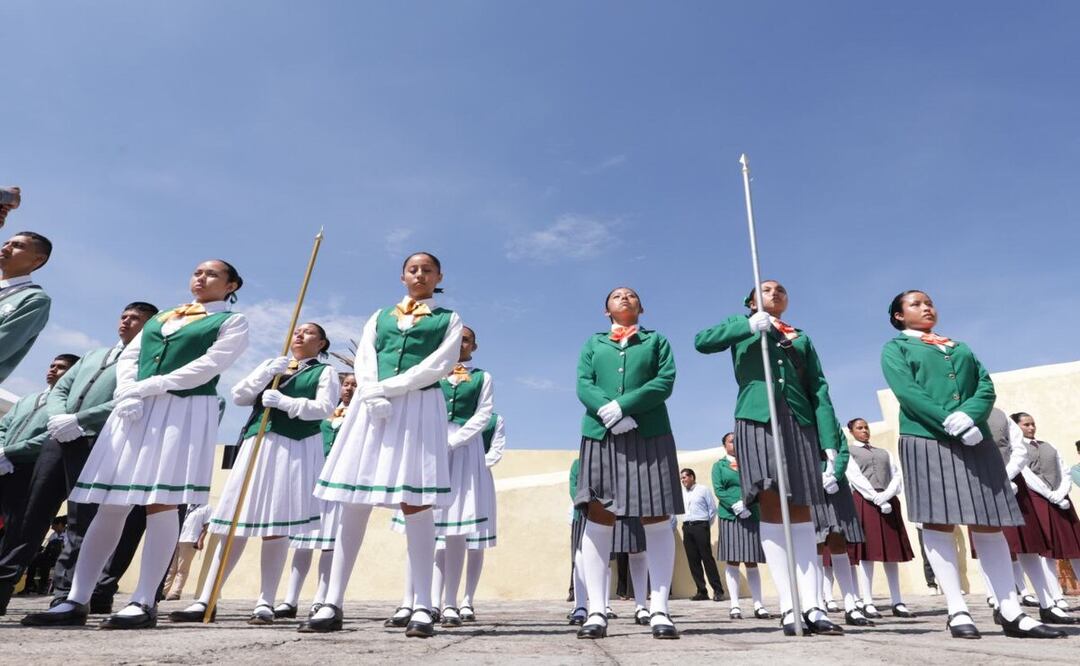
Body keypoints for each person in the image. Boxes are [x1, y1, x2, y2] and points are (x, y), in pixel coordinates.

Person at [22, 259, 249, 629]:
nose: (200, 278)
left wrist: (154, 385)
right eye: (196, 272)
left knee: (162, 502)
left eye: (211, 274)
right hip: (135, 409)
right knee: (112, 502)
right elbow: (130, 356)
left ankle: (143, 601)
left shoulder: (231, 321)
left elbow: (211, 364)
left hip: (183, 409)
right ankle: (75, 599)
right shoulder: (164, 317)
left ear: (231, 286)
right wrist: (128, 390)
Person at [880, 289, 1060, 639]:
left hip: (975, 440)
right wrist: (949, 421)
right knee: (938, 521)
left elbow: (985, 386)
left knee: (988, 521)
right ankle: (956, 609)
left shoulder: (959, 347)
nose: (926, 307)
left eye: (929, 301)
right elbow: (908, 392)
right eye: (915, 304)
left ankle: (1009, 608)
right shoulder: (896, 348)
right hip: (927, 438)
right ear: (899, 316)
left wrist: (969, 417)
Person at [302, 252, 463, 636]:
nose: (420, 274)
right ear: (403, 275)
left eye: (427, 269)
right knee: (355, 498)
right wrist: (371, 392)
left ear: (439, 275)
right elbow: (366, 357)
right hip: (370, 408)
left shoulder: (448, 319)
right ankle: (331, 602)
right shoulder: (380, 315)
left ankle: (423, 604)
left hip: (419, 406)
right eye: (413, 269)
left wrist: (388, 388)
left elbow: (440, 364)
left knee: (416, 501)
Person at [695, 280, 844, 636]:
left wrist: (829, 442)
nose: (775, 293)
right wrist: (748, 324)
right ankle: (790, 605)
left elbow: (819, 387)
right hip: (757, 417)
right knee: (773, 503)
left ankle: (814, 605)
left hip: (799, 421)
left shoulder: (800, 337)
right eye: (765, 289)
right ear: (750, 301)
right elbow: (702, 342)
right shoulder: (742, 325)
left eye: (781, 290)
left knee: (803, 509)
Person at [171, 322, 338, 625]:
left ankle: (265, 602)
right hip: (257, 443)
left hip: (294, 446)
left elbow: (324, 408)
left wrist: (286, 402)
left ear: (322, 344)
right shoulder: (271, 364)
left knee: (278, 523)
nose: (300, 335)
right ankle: (207, 598)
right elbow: (240, 396)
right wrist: (265, 374)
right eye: (297, 331)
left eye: (309, 332)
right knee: (234, 522)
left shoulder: (324, 372)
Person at [0, 302, 158, 615]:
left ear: (150, 326)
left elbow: (130, 401)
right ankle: (3, 586)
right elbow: (62, 389)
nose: (126, 321)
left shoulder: (147, 363)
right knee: (30, 516)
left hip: (99, 442)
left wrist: (81, 421)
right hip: (58, 440)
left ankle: (66, 597)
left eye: (136, 318)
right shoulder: (93, 356)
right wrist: (60, 418)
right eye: (123, 315)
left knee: (81, 520)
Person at [574, 286, 682, 640]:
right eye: (616, 295)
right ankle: (595, 610)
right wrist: (609, 412)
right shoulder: (594, 343)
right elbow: (583, 383)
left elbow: (664, 381)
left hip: (649, 432)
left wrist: (625, 406)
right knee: (599, 515)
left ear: (641, 306)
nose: (624, 298)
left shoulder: (656, 341)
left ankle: (660, 608)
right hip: (601, 432)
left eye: (631, 295)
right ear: (606, 310)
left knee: (656, 515)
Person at [274, 372, 356, 620]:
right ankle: (290, 599)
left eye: (354, 385)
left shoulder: (360, 416)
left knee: (330, 543)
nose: (349, 389)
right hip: (314, 476)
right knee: (303, 541)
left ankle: (321, 598)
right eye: (346, 384)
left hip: (340, 479)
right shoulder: (324, 411)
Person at [0, 354, 78, 601]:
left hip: (30, 471)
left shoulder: (67, 406)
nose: (53, 370)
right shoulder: (28, 400)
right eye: (52, 365)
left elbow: (49, 438)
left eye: (62, 368)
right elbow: (4, 426)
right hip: (3, 466)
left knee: (18, 530)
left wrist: (11, 452)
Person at [843, 418, 916, 619]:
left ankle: (897, 601)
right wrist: (875, 497)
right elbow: (855, 478)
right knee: (868, 554)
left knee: (891, 553)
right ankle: (867, 601)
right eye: (860, 428)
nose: (864, 430)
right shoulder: (849, 452)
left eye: (866, 427)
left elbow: (897, 476)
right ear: (851, 432)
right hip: (865, 503)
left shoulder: (885, 453)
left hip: (888, 501)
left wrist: (886, 496)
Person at [1012, 412, 1080, 618]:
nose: (1031, 428)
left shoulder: (1048, 445)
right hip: (1038, 500)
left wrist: (1061, 492)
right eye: (1026, 424)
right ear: (1017, 427)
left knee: (1076, 546)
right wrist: (1049, 494)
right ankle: (1055, 596)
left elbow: (1064, 469)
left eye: (1033, 424)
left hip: (1061, 499)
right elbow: (1027, 474)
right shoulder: (1017, 448)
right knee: (1047, 550)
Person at [711, 432, 771, 620]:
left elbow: (758, 486)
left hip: (751, 513)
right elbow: (719, 489)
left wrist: (747, 503)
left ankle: (758, 604)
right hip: (730, 515)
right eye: (731, 441)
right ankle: (735, 605)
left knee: (752, 560)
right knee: (733, 560)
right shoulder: (719, 466)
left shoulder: (750, 464)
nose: (735, 444)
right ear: (724, 445)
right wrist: (735, 505)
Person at [457, 411, 506, 619]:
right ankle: (437, 601)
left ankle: (468, 599)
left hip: (479, 481)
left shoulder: (494, 420)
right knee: (441, 542)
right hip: (452, 476)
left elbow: (496, 451)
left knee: (476, 543)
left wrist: (474, 466)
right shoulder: (453, 414)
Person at [0, 231, 52, 385]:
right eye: (6, 243)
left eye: (17, 246)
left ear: (38, 259)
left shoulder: (35, 299)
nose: (5, 248)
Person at [679, 468, 723, 602]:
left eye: (685, 477)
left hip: (701, 526)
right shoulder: (681, 493)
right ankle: (701, 591)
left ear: (692, 477)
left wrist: (705, 525)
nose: (683, 480)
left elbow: (712, 509)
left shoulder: (703, 489)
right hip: (687, 527)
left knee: (707, 558)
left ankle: (718, 590)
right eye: (681, 478)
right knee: (693, 560)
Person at [162, 503, 211, 600]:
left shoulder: (206, 507)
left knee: (182, 568)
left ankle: (176, 592)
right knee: (171, 568)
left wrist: (201, 540)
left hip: (190, 540)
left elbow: (206, 526)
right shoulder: (186, 504)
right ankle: (163, 591)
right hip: (177, 538)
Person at [27, 516, 66, 594]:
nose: (52, 528)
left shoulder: (67, 535)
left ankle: (43, 586)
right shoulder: (53, 535)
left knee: (45, 563)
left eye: (53, 525)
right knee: (33, 560)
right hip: (49, 557)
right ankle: (30, 585)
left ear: (60, 524)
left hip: (62, 558)